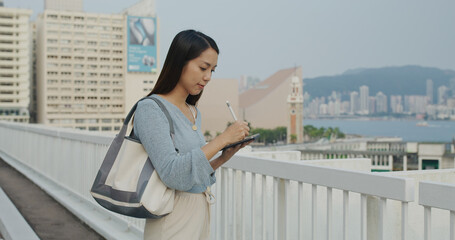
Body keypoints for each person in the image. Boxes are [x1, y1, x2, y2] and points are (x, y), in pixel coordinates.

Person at [132, 29, 251, 240]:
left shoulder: (193, 112)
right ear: (179, 62)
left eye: (213, 70)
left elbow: (190, 176)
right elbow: (172, 174)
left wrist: (223, 156)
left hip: (200, 211)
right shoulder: (151, 109)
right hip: (172, 218)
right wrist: (221, 139)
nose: (208, 77)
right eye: (203, 67)